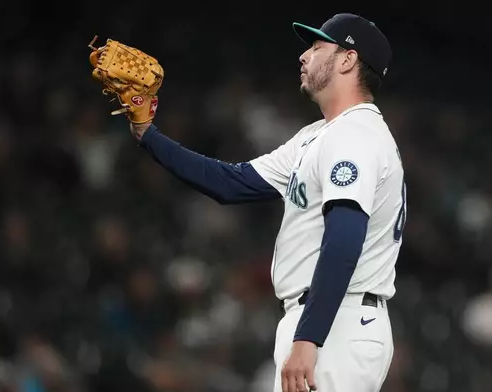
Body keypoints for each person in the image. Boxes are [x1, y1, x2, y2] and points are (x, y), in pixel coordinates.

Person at [126, 13, 405, 392]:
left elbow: (344, 239)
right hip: (325, 321)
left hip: (339, 323)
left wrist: (310, 338)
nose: (304, 56)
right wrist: (147, 133)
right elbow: (232, 183)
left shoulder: (354, 134)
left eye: (317, 46)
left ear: (347, 60)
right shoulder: (320, 135)